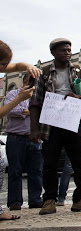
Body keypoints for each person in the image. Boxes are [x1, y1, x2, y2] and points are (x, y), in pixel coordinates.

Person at [29, 38, 81, 215]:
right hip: (50, 125)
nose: (67, 52)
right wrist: (34, 128)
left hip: (74, 123)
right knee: (50, 163)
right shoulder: (44, 74)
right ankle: (49, 200)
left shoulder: (79, 72)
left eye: (69, 50)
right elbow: (35, 102)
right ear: (53, 53)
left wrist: (78, 97)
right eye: (62, 50)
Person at [0, 40, 38, 221]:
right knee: (10, 170)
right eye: (2, 65)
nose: (4, 68)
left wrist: (29, 66)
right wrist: (19, 99)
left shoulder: (6, 66)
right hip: (15, 136)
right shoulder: (13, 94)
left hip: (29, 137)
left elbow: (16, 65)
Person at [5, 73, 43, 211]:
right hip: (16, 137)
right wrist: (30, 111)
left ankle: (35, 199)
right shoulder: (13, 94)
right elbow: (10, 110)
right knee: (15, 171)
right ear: (26, 81)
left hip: (34, 138)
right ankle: (15, 201)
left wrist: (28, 112)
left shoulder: (39, 96)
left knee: (36, 170)